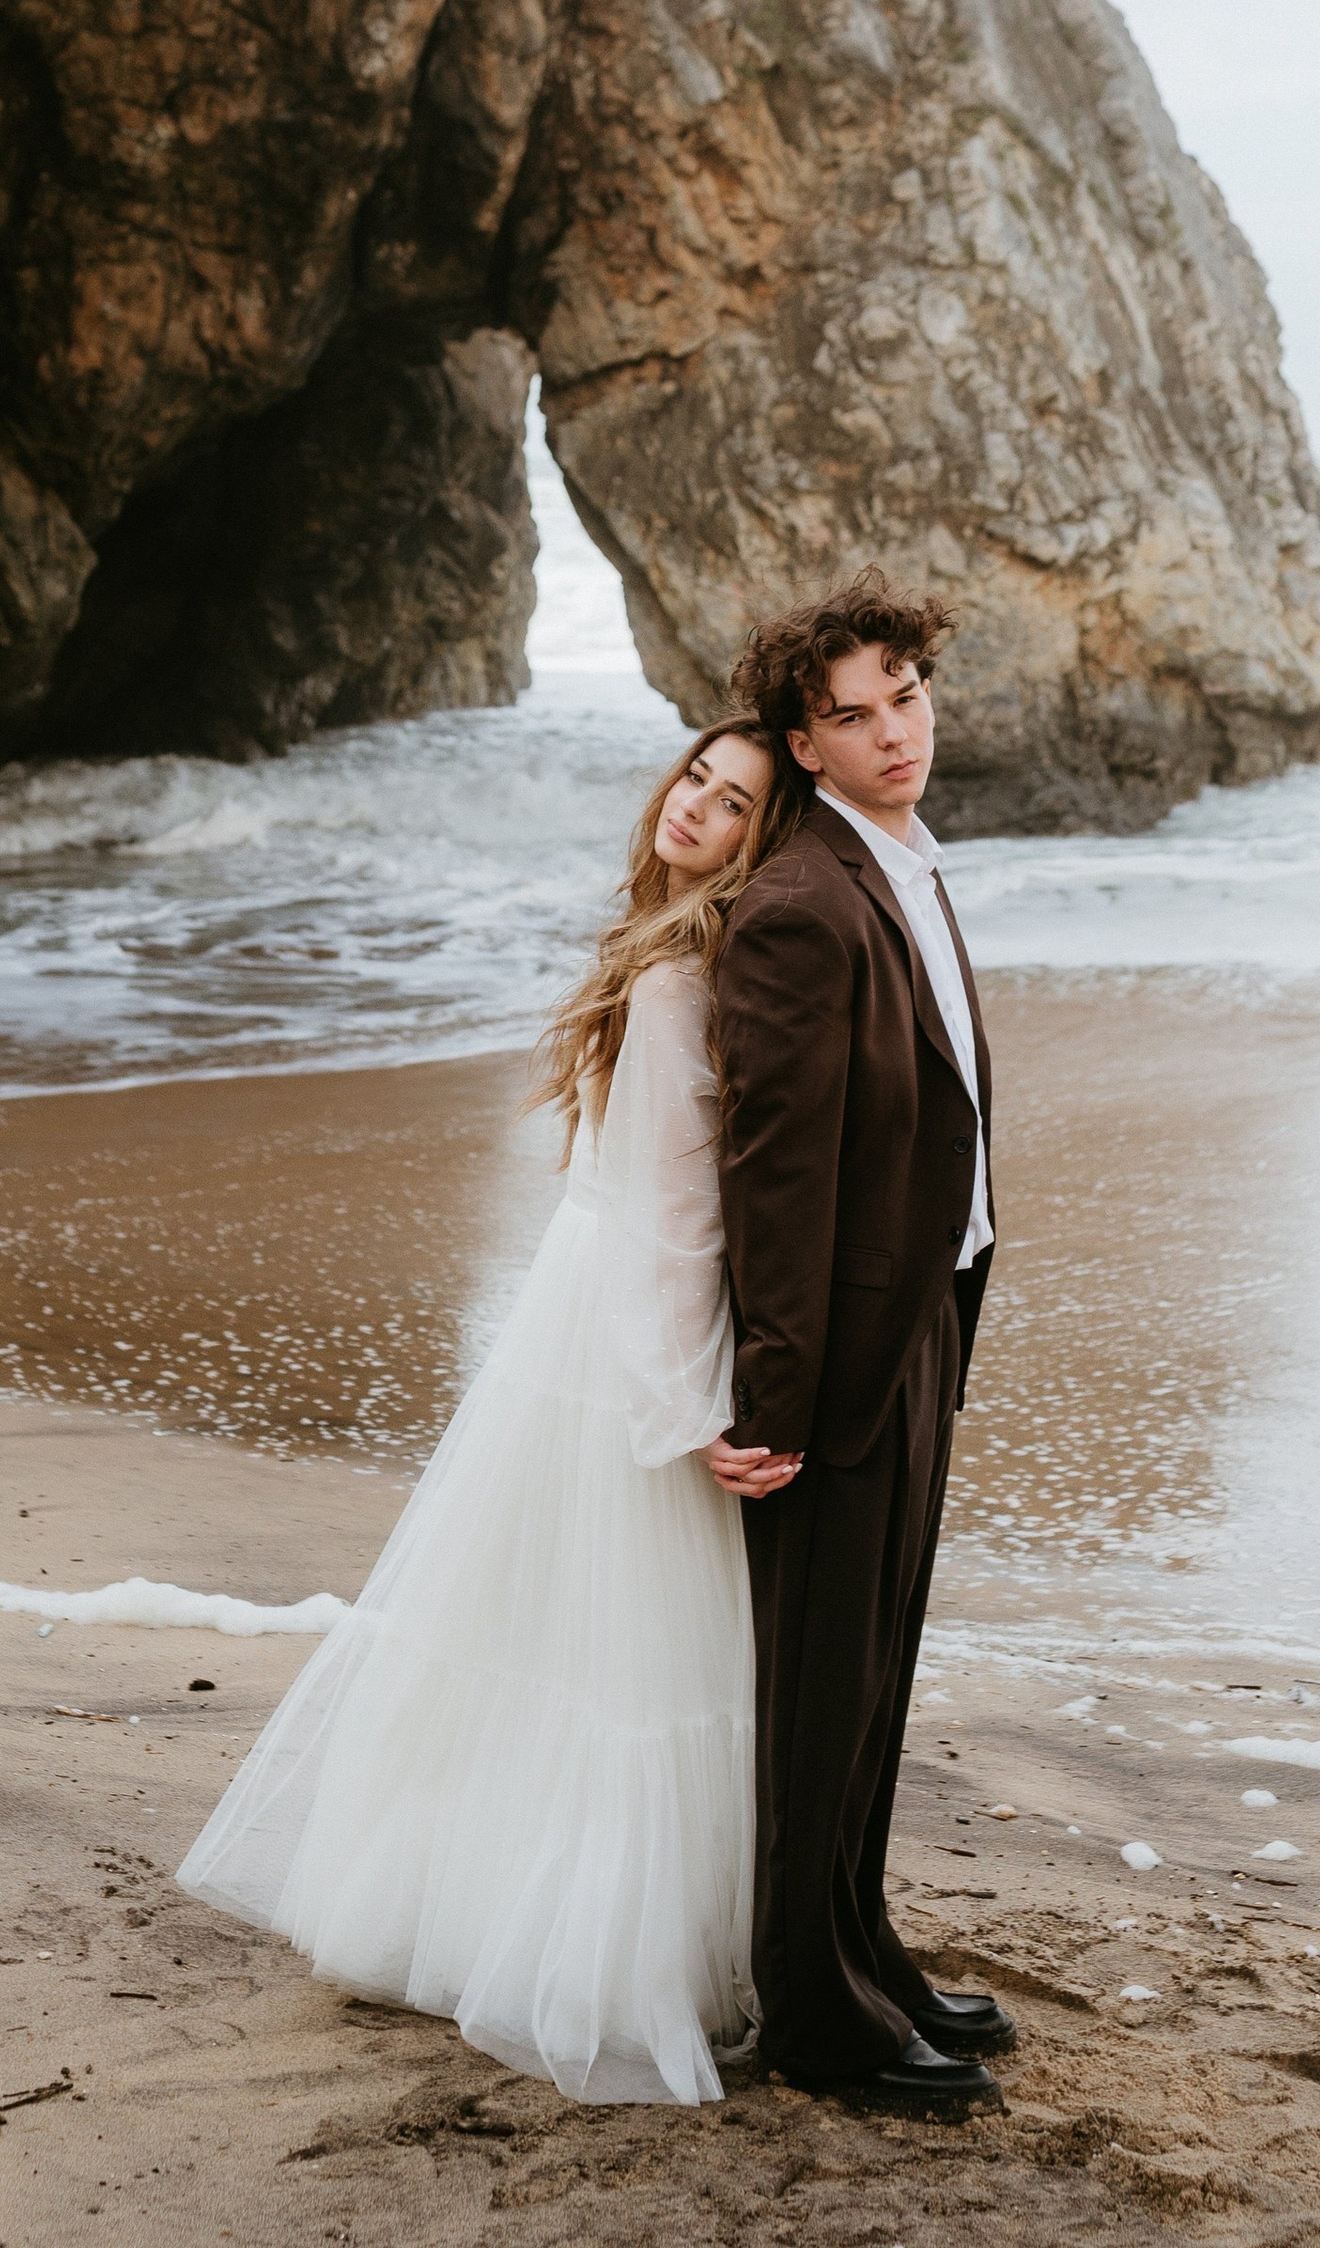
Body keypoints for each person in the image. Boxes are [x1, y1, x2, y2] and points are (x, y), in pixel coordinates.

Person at [176, 718, 799, 2102]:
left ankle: (509, 1919)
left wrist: (685, 1400)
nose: (696, 803)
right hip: (585, 1309)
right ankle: (515, 1917)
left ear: (765, 841)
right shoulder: (667, 948)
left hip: (614, 1317)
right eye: (694, 775)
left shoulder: (686, 972)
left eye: (736, 801)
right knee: (577, 1629)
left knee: (574, 1632)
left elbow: (676, 1222)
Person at [712, 573, 1015, 2112]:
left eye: (906, 695)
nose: (895, 731)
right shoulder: (798, 907)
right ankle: (813, 2018)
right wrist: (776, 1400)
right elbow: (776, 1179)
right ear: (803, 743)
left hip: (920, 1322)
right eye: (854, 715)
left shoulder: (903, 859)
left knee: (877, 1674)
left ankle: (861, 1951)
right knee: (817, 1691)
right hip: (830, 1368)